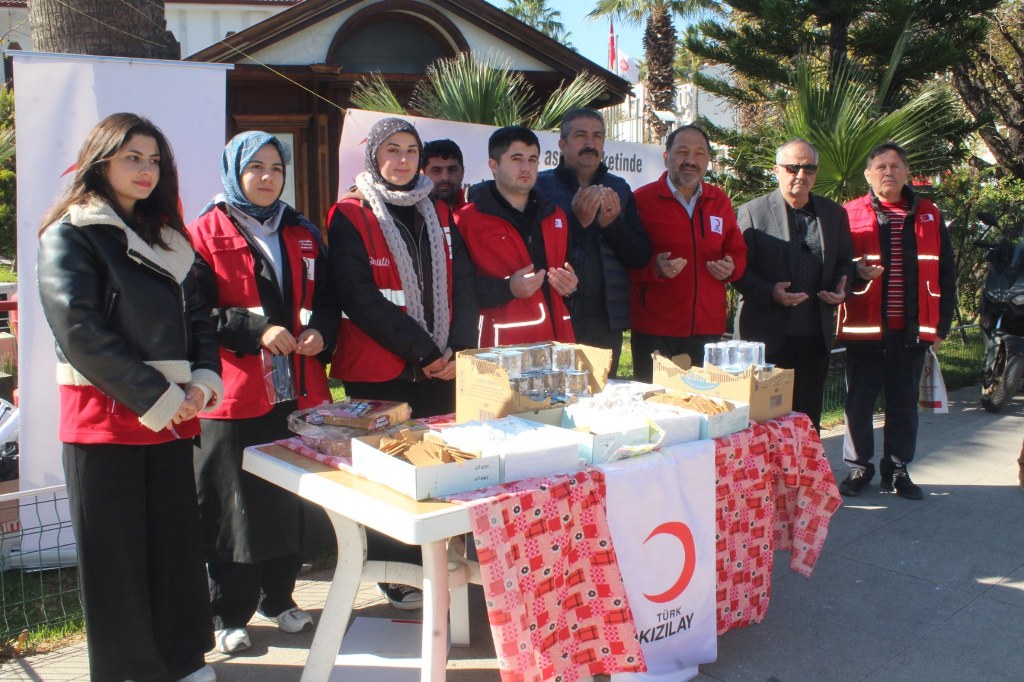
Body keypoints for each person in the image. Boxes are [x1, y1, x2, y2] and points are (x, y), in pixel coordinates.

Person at [37, 112, 222, 682]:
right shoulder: (70, 231)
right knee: (116, 562)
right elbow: (81, 334)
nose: (146, 170)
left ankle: (184, 658)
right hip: (105, 422)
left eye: (154, 160)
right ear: (101, 160)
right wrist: (165, 398)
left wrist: (202, 383)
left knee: (175, 550)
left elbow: (203, 322)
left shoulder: (172, 236)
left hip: (173, 421)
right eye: (131, 158)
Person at [187, 131, 338, 654]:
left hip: (295, 393)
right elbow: (195, 313)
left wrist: (321, 330)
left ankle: (281, 597)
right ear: (234, 171)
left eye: (276, 167)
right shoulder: (203, 232)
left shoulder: (301, 230)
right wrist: (255, 333)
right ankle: (228, 612)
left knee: (286, 501)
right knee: (233, 507)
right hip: (235, 396)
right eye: (257, 167)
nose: (269, 177)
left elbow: (328, 297)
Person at [326, 117, 478, 609]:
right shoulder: (350, 213)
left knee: (436, 471)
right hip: (381, 369)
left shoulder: (439, 210)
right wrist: (426, 353)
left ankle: (439, 562)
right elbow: (359, 297)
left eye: (410, 149)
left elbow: (463, 285)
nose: (402, 159)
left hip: (442, 367)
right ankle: (397, 573)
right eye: (391, 149)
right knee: (389, 478)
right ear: (373, 156)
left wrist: (455, 349)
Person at [836, 141, 956, 500]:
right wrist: (856, 271)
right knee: (859, 401)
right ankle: (859, 468)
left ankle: (897, 470)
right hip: (865, 329)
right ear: (868, 174)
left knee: (903, 404)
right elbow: (836, 267)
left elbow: (946, 275)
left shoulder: (931, 215)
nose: (888, 172)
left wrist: (941, 328)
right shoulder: (849, 213)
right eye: (881, 167)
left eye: (895, 166)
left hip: (912, 330)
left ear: (906, 172)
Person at [733, 139, 855, 431]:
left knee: (807, 419)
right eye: (793, 167)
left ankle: (803, 476)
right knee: (761, 422)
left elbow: (845, 263)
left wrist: (842, 290)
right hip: (766, 337)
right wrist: (770, 292)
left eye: (809, 168)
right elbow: (737, 271)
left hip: (814, 337)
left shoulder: (833, 214)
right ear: (776, 170)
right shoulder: (753, 212)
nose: (801, 174)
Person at [535, 108, 651, 376]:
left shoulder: (619, 188)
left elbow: (640, 256)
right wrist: (575, 222)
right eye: (581, 135)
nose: (590, 144)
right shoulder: (540, 188)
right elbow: (535, 252)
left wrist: (612, 226)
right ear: (562, 144)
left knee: (601, 400)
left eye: (597, 136)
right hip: (555, 315)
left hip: (605, 321)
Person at [630, 124, 747, 382]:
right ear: (666, 157)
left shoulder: (720, 201)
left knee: (703, 407)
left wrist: (731, 267)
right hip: (655, 330)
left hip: (707, 329)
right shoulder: (642, 200)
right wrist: (654, 268)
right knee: (656, 409)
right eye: (682, 152)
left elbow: (737, 249)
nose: (691, 161)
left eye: (700, 154)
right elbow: (624, 260)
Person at [457, 125, 578, 347]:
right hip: (499, 349)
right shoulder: (465, 220)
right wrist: (507, 289)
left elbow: (570, 276)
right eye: (516, 158)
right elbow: (456, 290)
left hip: (557, 343)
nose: (526, 167)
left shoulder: (556, 216)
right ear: (493, 165)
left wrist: (571, 288)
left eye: (533, 159)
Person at [421, 138, 467, 211]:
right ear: (422, 174)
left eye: (452, 169)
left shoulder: (476, 217)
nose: (445, 178)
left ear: (462, 172)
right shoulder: (410, 215)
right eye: (436, 170)